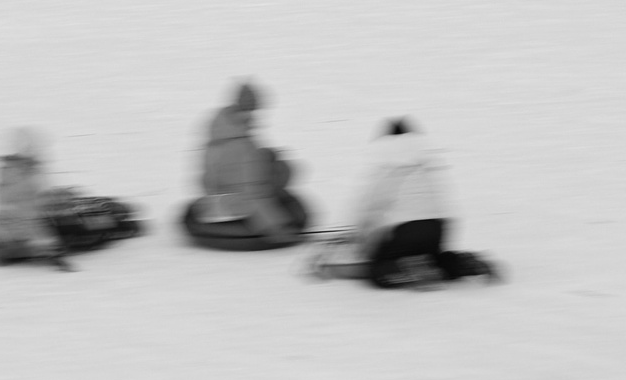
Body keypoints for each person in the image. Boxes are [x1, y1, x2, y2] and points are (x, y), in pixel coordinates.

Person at [322, 118, 499, 288]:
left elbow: (368, 207)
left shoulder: (386, 168)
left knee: (378, 271)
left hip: (404, 230)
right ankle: (463, 264)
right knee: (433, 259)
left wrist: (354, 235)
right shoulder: (427, 166)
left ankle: (405, 269)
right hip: (437, 227)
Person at [182, 80, 309, 250]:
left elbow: (209, 180)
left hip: (215, 200)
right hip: (232, 209)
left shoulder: (221, 131)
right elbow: (251, 193)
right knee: (266, 192)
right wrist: (276, 227)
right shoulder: (245, 150)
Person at [0, 128, 70, 269]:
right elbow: (23, 208)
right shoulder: (17, 172)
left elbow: (41, 194)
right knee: (28, 232)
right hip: (19, 228)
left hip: (19, 225)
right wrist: (51, 249)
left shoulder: (26, 169)